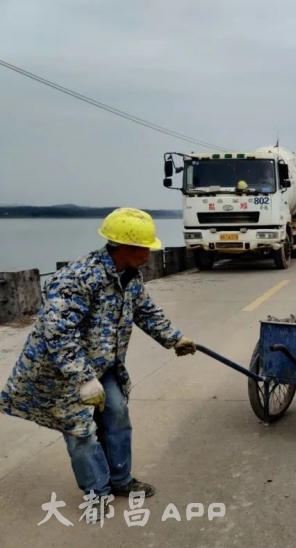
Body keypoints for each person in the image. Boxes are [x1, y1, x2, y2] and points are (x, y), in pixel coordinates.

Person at [0, 208, 196, 519]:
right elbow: (58, 331)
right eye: (144, 248)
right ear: (124, 248)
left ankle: (120, 480)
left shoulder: (130, 277)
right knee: (81, 431)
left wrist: (174, 339)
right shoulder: (79, 277)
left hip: (102, 365)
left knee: (117, 414)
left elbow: (145, 311)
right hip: (60, 372)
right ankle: (97, 492)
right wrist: (82, 379)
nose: (149, 254)